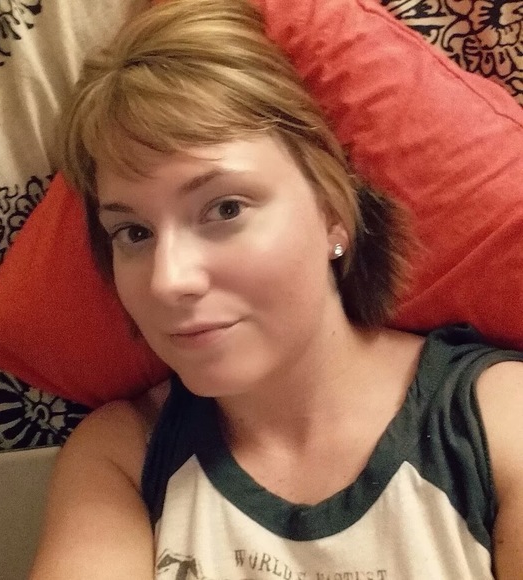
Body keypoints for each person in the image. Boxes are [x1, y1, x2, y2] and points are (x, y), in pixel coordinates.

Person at [30, 0, 523, 578]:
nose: (168, 280)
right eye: (134, 232)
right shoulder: (125, 455)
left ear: (333, 212)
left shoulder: (495, 421)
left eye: (225, 208)